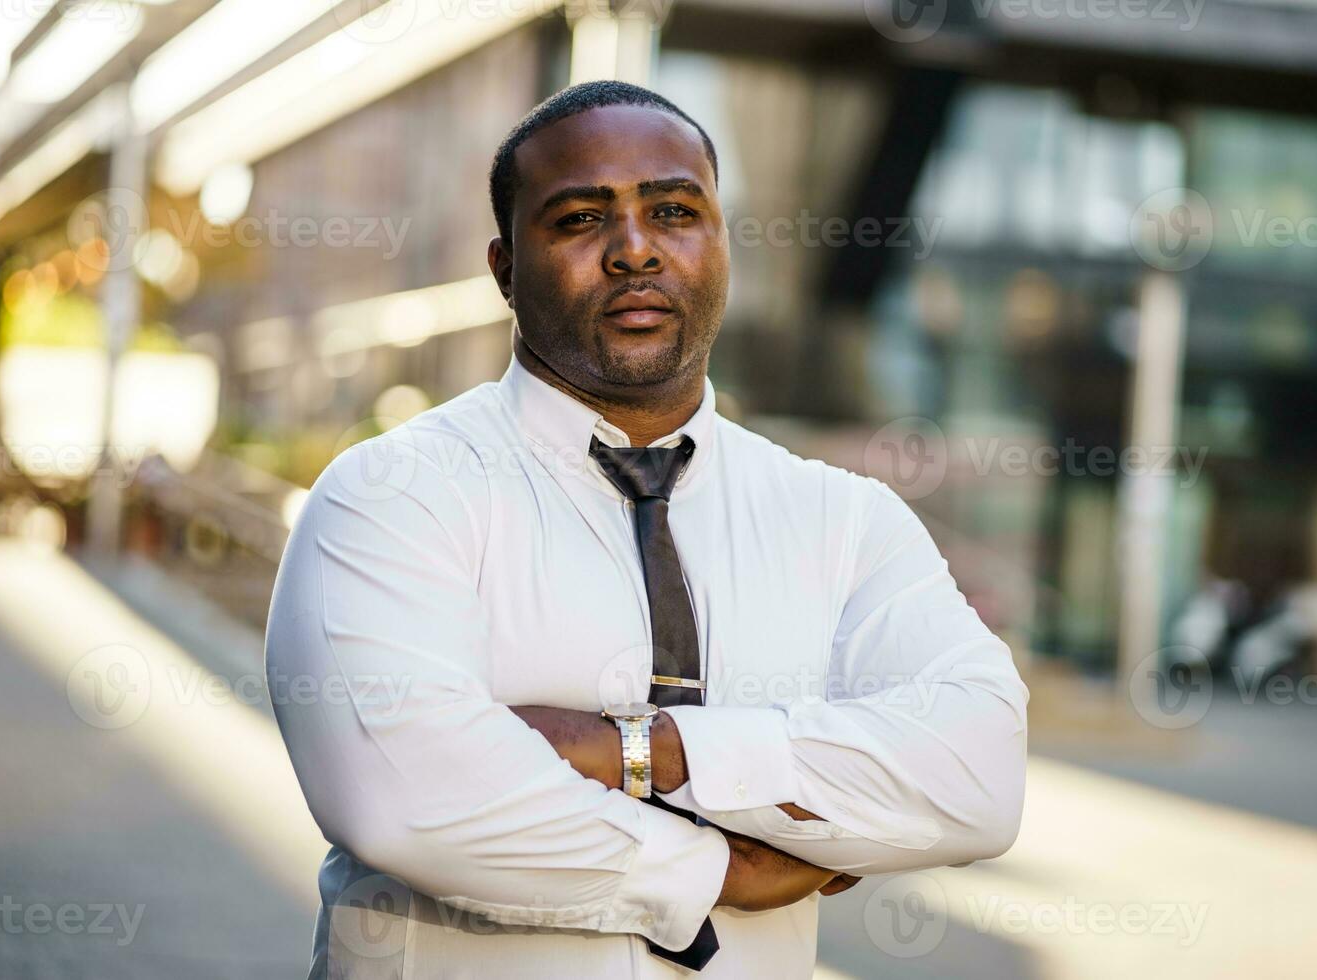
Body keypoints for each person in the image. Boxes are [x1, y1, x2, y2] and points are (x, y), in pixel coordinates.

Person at [265, 80, 1028, 979]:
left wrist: (650, 750)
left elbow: (976, 774)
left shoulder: (842, 518)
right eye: (582, 219)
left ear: (721, 243)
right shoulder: (392, 495)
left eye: (673, 210)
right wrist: (716, 869)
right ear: (505, 270)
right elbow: (405, 796)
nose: (635, 251)